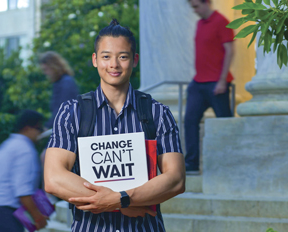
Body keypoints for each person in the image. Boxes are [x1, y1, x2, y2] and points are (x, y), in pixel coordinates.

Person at [44, 19, 185, 232]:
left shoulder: (158, 113)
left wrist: (120, 200)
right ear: (95, 60)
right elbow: (54, 179)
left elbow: (175, 179)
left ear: (135, 60)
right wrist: (119, 204)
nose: (114, 65)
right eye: (106, 56)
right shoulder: (72, 112)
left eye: (123, 57)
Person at [185, 0, 235, 172]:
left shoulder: (222, 22)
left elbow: (230, 51)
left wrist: (222, 81)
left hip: (217, 83)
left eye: (196, 6)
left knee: (224, 123)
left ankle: (230, 161)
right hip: (198, 82)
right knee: (190, 120)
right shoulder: (199, 23)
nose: (194, 10)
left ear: (207, 3)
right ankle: (191, 164)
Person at [0, 110, 48, 232]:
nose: (41, 134)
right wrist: (38, 217)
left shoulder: (8, 145)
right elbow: (22, 191)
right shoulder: (25, 150)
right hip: (5, 213)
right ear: (28, 129)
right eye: (39, 129)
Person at [39, 51, 79, 129]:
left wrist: (47, 126)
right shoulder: (60, 83)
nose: (45, 73)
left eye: (46, 69)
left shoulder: (66, 83)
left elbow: (62, 111)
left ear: (54, 67)